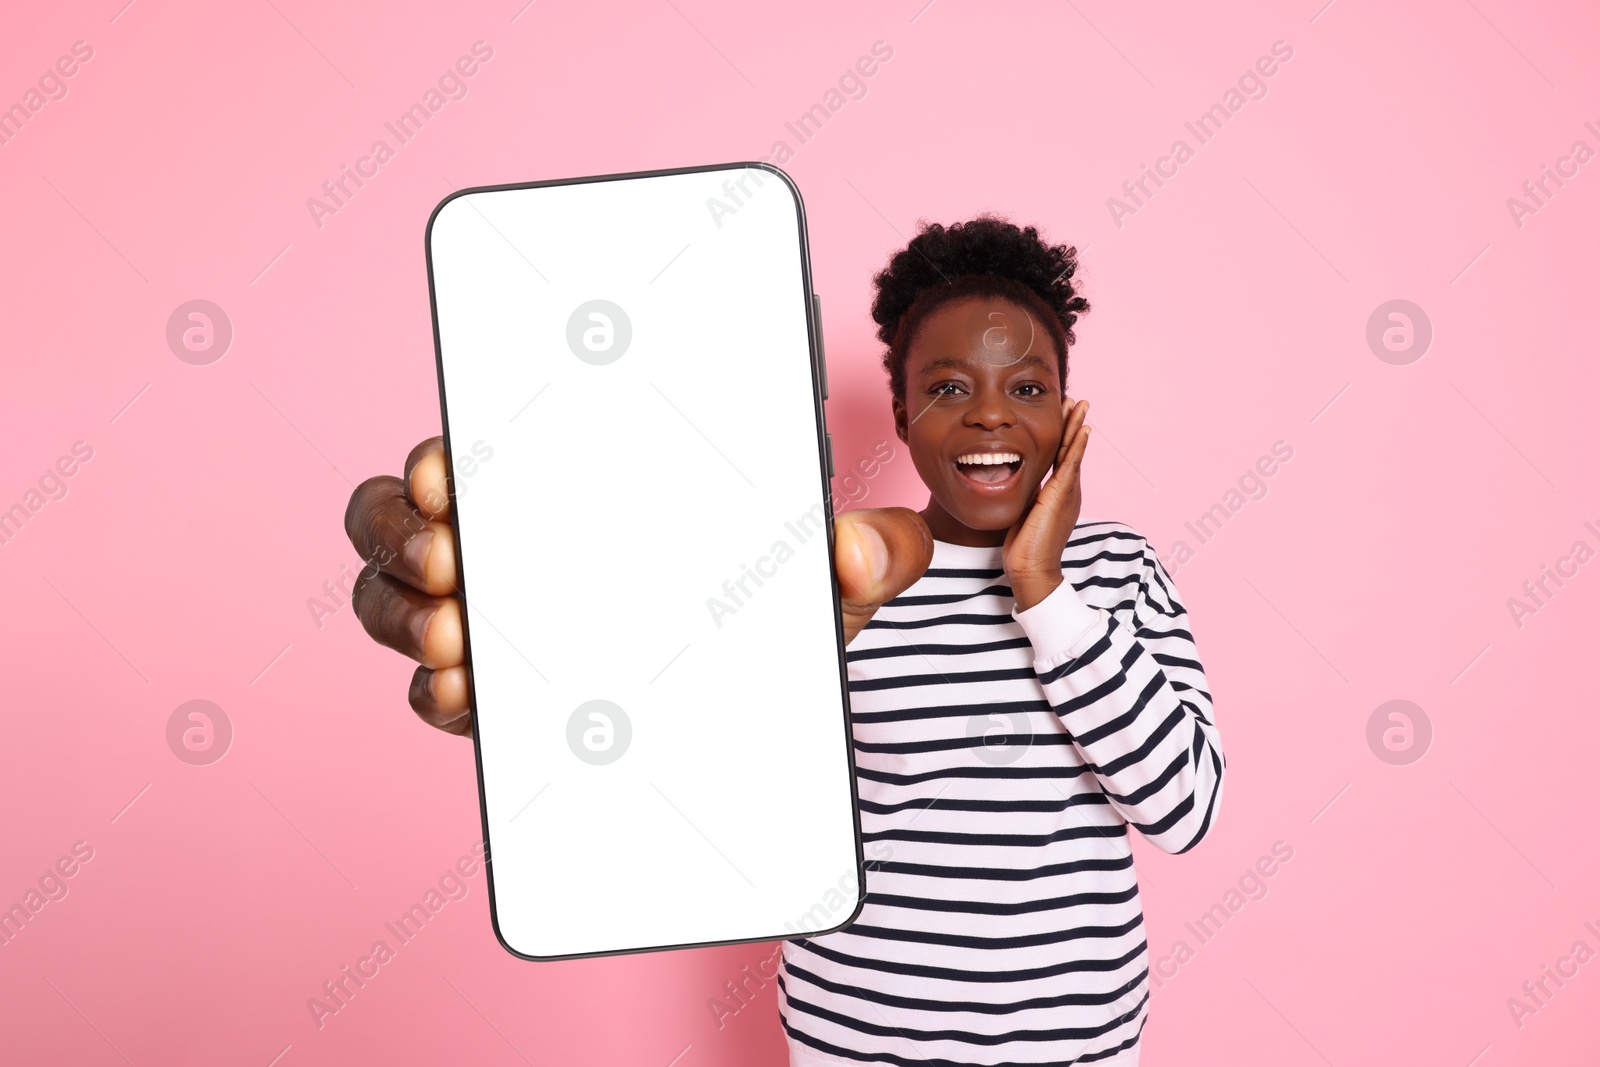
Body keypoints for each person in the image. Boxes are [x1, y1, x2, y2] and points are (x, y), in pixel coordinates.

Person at [344, 214, 1225, 1066]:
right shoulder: (836, 574)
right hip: (854, 1038)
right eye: (948, 388)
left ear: (1069, 414)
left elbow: (1183, 807)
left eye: (1027, 388)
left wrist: (1042, 587)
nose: (990, 416)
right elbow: (728, 791)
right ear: (902, 411)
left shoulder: (1118, 569)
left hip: (1078, 1045)